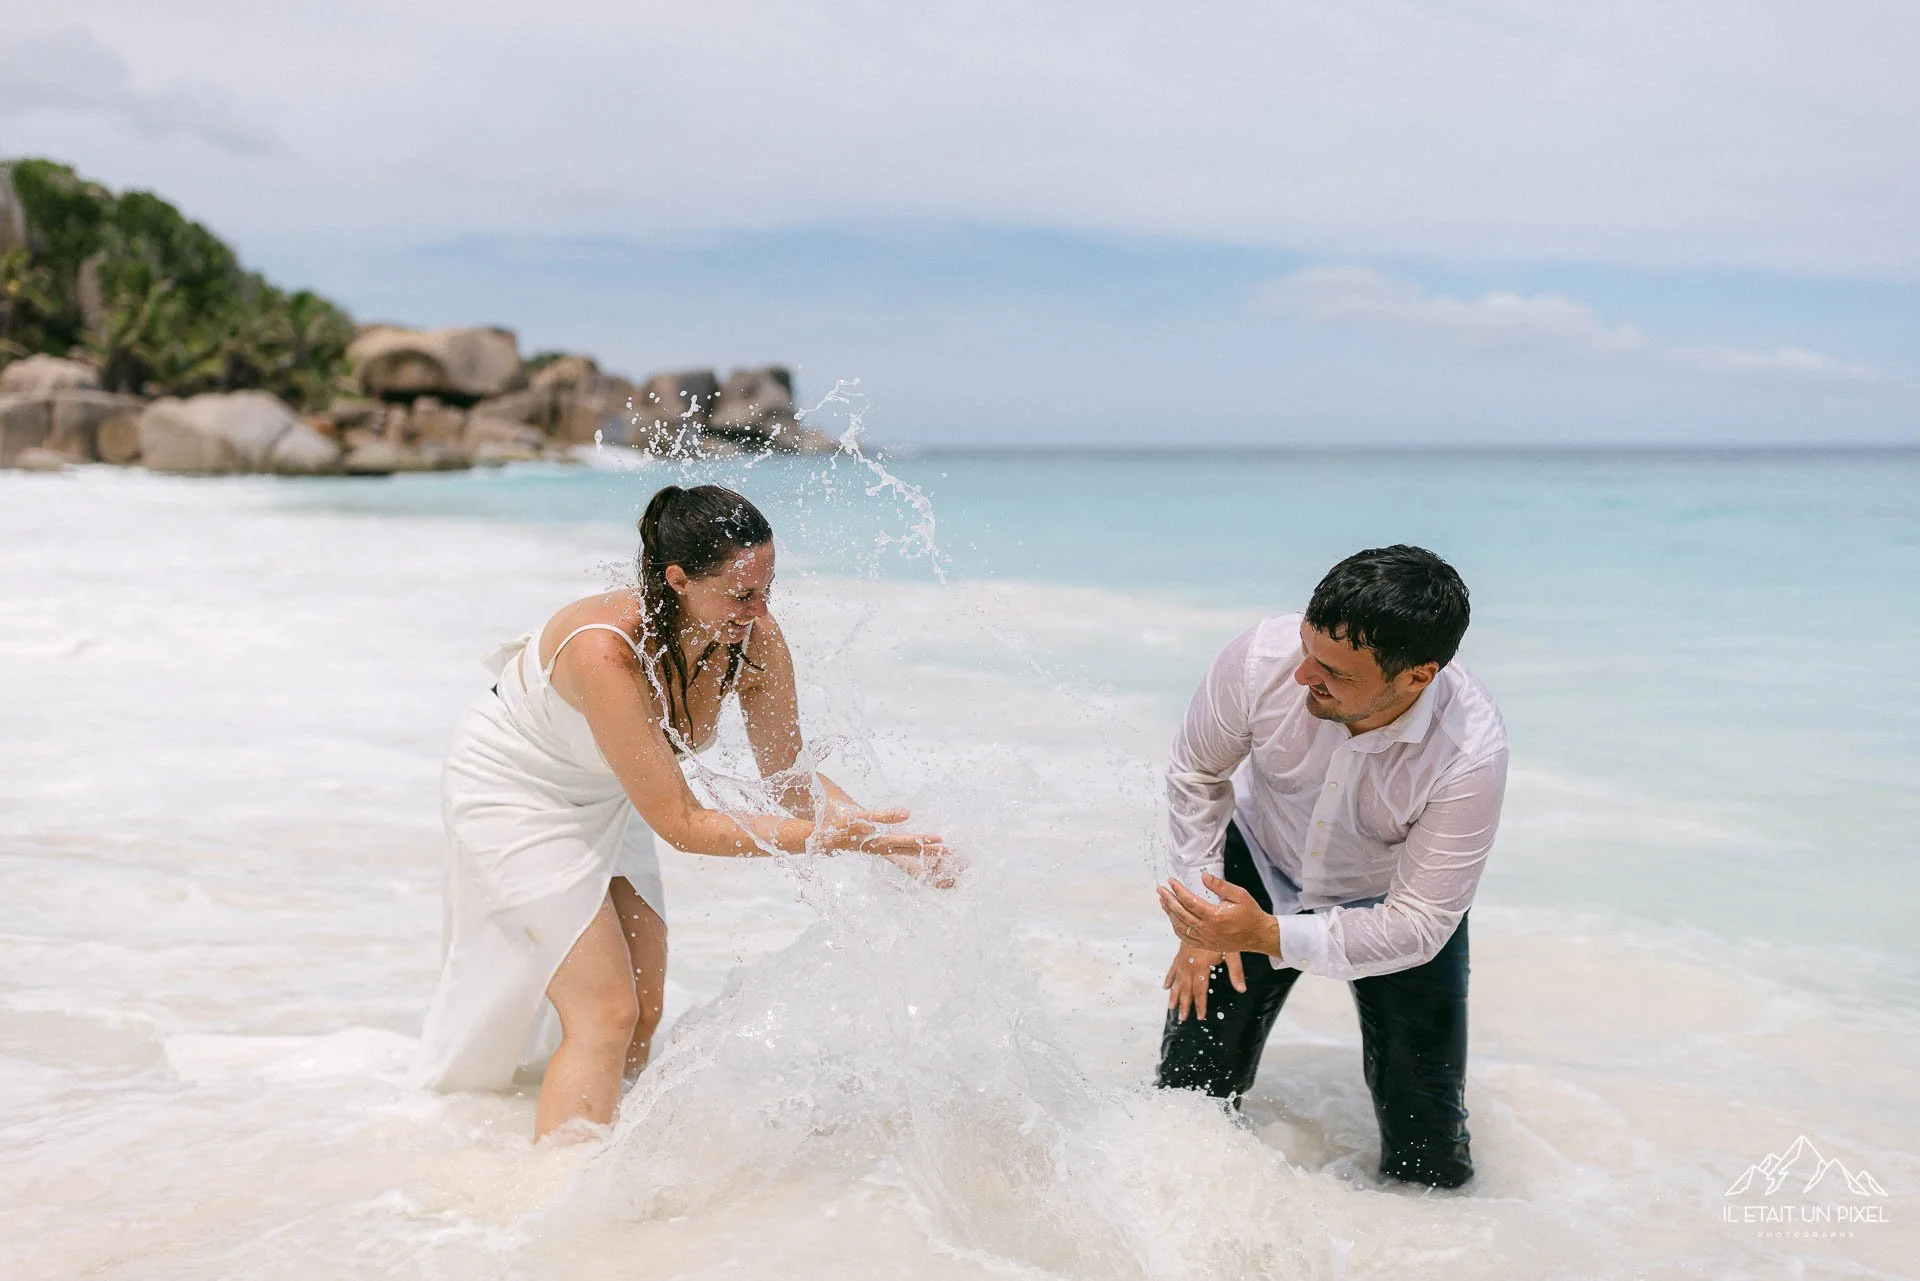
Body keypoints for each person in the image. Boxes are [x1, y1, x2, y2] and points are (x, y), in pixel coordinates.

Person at [414, 484, 947, 1139]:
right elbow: (684, 825)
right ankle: (553, 1200)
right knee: (606, 1009)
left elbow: (790, 778)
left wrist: (887, 838)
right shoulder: (605, 652)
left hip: (614, 788)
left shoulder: (752, 640)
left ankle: (611, 1155)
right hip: (516, 789)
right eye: (740, 593)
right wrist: (834, 843)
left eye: (768, 588)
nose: (758, 610)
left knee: (645, 1004)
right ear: (678, 580)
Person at [1153, 545, 1507, 1189]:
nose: (1302, 676)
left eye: (1334, 673)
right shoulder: (1262, 658)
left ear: (1416, 676)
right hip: (1254, 865)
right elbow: (1197, 774)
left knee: (1430, 1157)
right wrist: (1202, 918)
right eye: (1308, 649)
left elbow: (1421, 923)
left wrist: (1266, 937)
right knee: (1183, 1107)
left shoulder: (1469, 751)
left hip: (1388, 901)